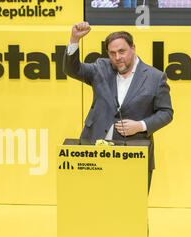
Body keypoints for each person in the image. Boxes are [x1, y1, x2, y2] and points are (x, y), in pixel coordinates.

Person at [63, 22, 173, 192]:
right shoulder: (101, 68)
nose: (117, 57)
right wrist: (74, 40)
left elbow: (166, 113)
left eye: (122, 51)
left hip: (134, 153)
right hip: (94, 151)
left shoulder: (155, 77)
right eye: (112, 53)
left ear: (133, 48)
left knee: (131, 209)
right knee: (92, 205)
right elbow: (72, 69)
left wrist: (141, 125)